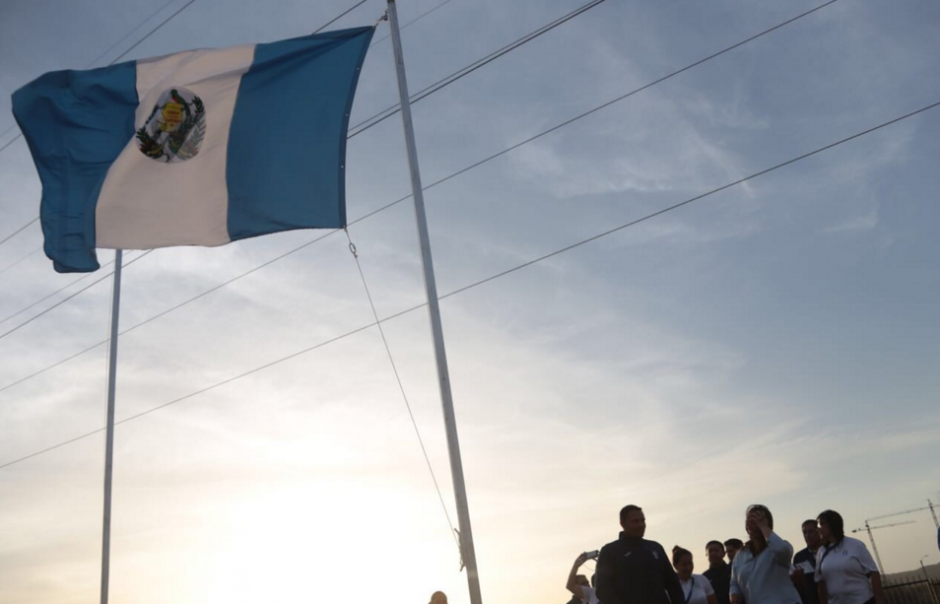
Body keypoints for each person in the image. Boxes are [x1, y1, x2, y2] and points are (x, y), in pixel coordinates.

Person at [595, 504, 685, 604]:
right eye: (635, 521)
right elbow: (602, 589)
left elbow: (673, 584)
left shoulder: (655, 548)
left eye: (642, 521)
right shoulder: (610, 551)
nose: (641, 524)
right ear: (623, 523)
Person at [729, 504, 801, 604]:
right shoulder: (741, 554)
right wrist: (734, 599)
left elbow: (782, 550)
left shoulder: (778, 547)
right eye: (748, 521)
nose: (750, 525)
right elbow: (734, 583)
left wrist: (763, 527)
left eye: (755, 521)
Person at [815, 510, 885, 604]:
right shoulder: (821, 552)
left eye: (821, 524)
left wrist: (879, 601)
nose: (818, 529)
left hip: (863, 601)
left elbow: (874, 573)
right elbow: (820, 582)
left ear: (832, 524)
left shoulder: (855, 545)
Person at [792, 519, 823, 604]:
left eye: (810, 532)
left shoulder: (829, 551)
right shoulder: (799, 557)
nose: (807, 535)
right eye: (804, 532)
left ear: (819, 532)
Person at [704, 540, 732, 604]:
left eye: (716, 550)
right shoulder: (704, 577)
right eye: (710, 551)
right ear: (706, 554)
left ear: (724, 553)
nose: (713, 553)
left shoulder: (732, 571)